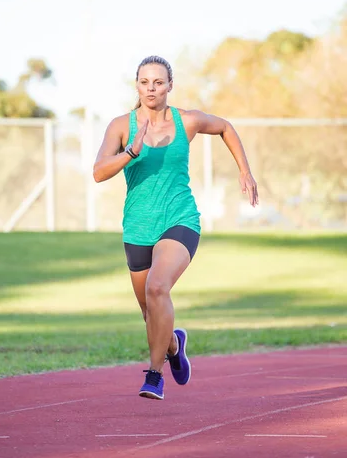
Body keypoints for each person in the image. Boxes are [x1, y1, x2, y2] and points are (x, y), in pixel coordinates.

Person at [93, 55, 258, 400]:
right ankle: (173, 346)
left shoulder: (188, 121)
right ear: (136, 85)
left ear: (170, 85)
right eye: (144, 82)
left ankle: (154, 376)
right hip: (138, 227)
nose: (151, 89)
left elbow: (225, 126)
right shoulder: (122, 126)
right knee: (149, 310)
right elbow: (99, 172)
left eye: (158, 82)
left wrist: (244, 170)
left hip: (180, 220)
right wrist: (130, 153)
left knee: (157, 289)